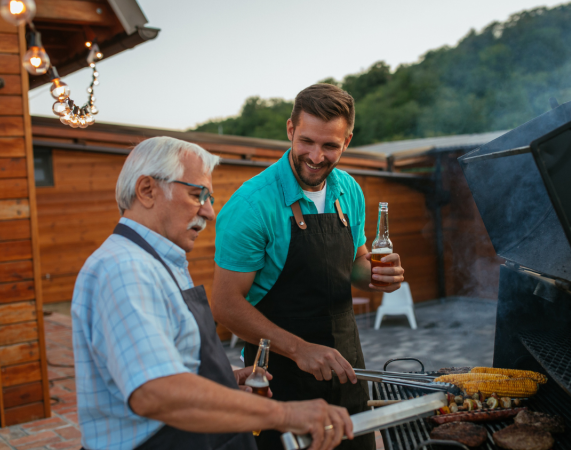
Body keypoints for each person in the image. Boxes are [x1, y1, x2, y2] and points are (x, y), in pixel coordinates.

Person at [72, 137, 353, 450]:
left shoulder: (157, 261)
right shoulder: (126, 269)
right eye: (197, 195)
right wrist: (284, 413)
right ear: (147, 190)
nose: (209, 212)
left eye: (208, 198)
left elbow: (165, 362)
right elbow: (155, 392)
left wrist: (222, 379)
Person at [211, 84, 406, 450]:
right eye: (307, 141)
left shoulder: (349, 190)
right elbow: (224, 305)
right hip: (278, 378)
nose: (316, 157)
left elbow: (355, 264)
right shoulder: (251, 206)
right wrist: (300, 349)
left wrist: (379, 275)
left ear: (347, 140)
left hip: (347, 366)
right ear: (289, 130)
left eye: (330, 146)